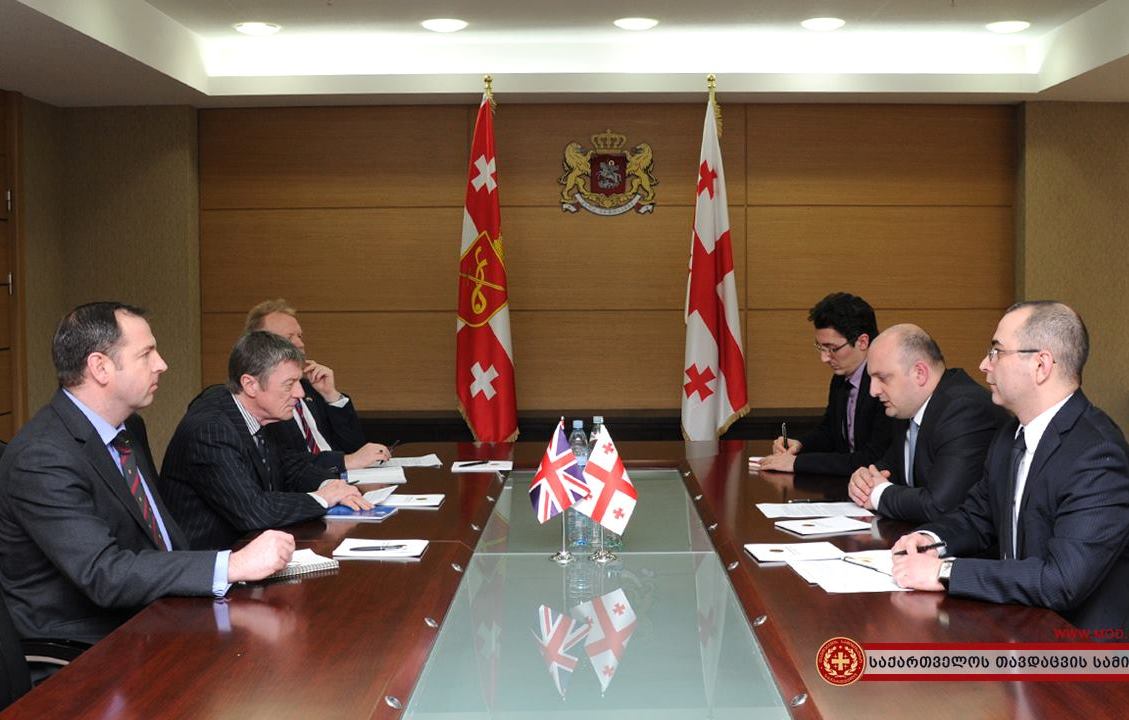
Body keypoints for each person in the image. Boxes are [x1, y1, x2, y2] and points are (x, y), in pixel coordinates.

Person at [0, 302, 293, 646]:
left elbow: (158, 538)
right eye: (146, 354)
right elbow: (103, 574)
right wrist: (230, 565)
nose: (161, 364)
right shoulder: (41, 456)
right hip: (87, 647)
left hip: (157, 615)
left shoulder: (128, 428)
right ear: (100, 367)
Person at [891, 302, 1129, 634]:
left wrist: (945, 572)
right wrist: (930, 540)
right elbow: (979, 516)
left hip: (1078, 645)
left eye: (997, 352)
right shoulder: (1010, 434)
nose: (984, 365)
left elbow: (1062, 580)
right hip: (1018, 621)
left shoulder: (1097, 453)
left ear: (1041, 365)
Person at [159, 331, 371, 551]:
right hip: (210, 558)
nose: (300, 393)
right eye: (289, 384)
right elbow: (253, 510)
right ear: (250, 385)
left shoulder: (265, 413)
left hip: (253, 545)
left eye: (299, 382)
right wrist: (322, 498)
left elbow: (291, 468)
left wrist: (332, 486)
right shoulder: (210, 430)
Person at [846, 324, 1005, 522]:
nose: (873, 391)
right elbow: (888, 470)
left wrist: (878, 494)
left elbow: (940, 506)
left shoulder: (965, 410)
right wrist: (863, 481)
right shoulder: (906, 407)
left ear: (919, 373)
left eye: (882, 378)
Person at [245, 299, 391, 475]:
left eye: (300, 336)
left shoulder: (309, 389)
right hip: (313, 484)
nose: (300, 344)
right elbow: (285, 464)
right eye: (289, 338)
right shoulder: (261, 399)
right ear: (261, 346)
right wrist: (346, 462)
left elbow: (354, 447)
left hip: (346, 477)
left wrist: (331, 396)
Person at [754, 292, 892, 474]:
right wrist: (800, 445)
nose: (824, 358)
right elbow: (830, 432)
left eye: (832, 348)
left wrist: (797, 463)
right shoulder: (841, 378)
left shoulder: (886, 386)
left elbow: (872, 458)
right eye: (820, 347)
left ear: (862, 342)